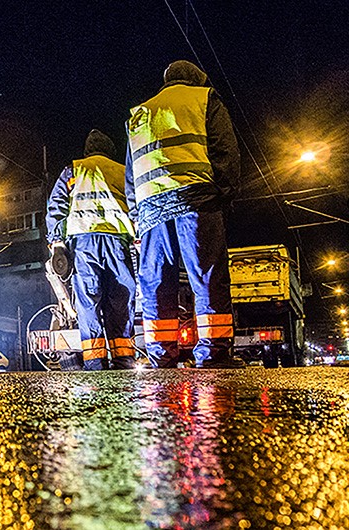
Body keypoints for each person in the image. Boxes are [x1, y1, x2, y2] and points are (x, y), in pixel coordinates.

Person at [124, 60, 240, 368]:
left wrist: (137, 216)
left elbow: (131, 174)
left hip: (151, 214)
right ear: (196, 79)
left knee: (156, 284)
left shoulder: (140, 113)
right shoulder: (204, 98)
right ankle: (213, 353)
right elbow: (224, 150)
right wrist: (224, 194)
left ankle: (162, 355)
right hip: (196, 202)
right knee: (207, 277)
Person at [46, 129, 137, 371]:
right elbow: (136, 203)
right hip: (117, 242)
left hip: (84, 244)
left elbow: (56, 206)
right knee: (121, 300)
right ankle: (123, 359)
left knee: (88, 303)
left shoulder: (74, 170)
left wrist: (57, 243)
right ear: (110, 150)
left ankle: (95, 362)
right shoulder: (122, 170)